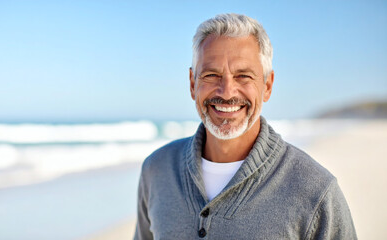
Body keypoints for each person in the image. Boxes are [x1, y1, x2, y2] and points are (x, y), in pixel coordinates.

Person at [134, 13, 357, 239]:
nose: (227, 92)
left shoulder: (316, 193)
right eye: (211, 75)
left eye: (243, 76)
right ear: (193, 84)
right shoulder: (156, 170)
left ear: (267, 86)